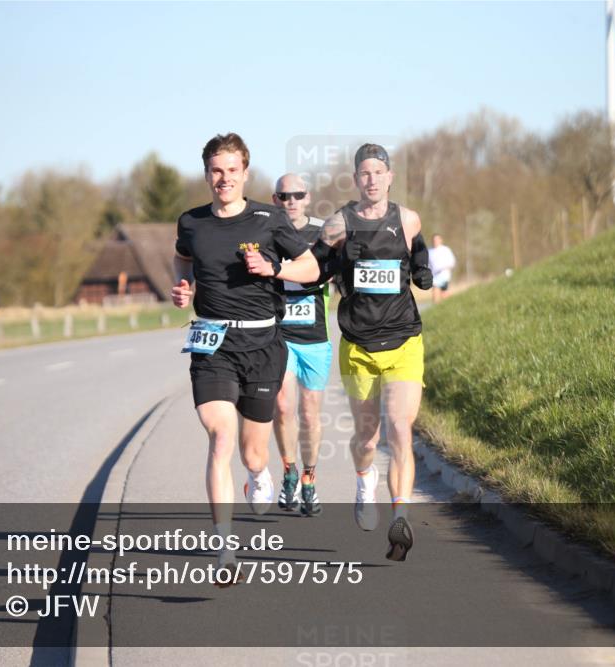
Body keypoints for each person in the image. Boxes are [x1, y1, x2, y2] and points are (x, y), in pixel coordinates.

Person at [171, 133, 320, 577]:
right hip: (212, 342)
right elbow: (181, 259)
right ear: (207, 174)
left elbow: (310, 268)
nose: (224, 178)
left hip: (262, 344)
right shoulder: (191, 222)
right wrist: (184, 287)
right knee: (220, 437)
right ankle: (224, 551)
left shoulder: (269, 219)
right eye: (216, 170)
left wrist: (275, 268)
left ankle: (258, 474)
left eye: (232, 170)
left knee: (254, 453)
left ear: (245, 173)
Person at [320, 143, 432, 561]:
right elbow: (316, 262)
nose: (371, 179)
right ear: (356, 179)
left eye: (378, 172)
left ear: (389, 176)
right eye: (363, 173)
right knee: (367, 437)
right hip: (359, 345)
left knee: (400, 428)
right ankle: (364, 478)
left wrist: (422, 270)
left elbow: (417, 251)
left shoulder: (407, 218)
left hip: (404, 339)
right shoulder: (338, 224)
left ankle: (400, 515)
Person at [271, 174, 333, 517]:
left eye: (297, 194)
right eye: (283, 195)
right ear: (275, 198)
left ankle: (310, 478)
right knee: (282, 407)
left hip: (315, 338)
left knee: (310, 414)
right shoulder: (267, 230)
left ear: (308, 197)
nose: (290, 200)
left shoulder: (324, 233)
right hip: (280, 336)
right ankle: (289, 471)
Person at [427, 234, 456, 304]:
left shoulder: (445, 249)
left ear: (441, 240)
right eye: (434, 240)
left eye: (437, 239)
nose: (435, 241)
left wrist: (447, 268)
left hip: (444, 274)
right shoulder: (429, 251)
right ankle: (437, 307)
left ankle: (445, 306)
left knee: (442, 293)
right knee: (437, 293)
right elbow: (427, 264)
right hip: (434, 276)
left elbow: (452, 261)